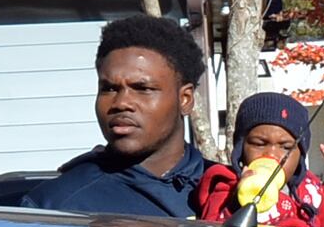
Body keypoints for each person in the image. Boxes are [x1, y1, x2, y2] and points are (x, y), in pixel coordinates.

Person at [30, 13, 219, 216]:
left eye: (142, 88)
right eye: (109, 89)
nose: (121, 103)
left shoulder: (231, 190)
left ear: (185, 99)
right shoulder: (57, 206)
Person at [195, 90, 324, 227]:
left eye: (285, 147)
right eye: (259, 144)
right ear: (240, 149)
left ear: (300, 155)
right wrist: (239, 199)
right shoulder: (226, 186)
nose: (271, 154)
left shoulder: (307, 189)